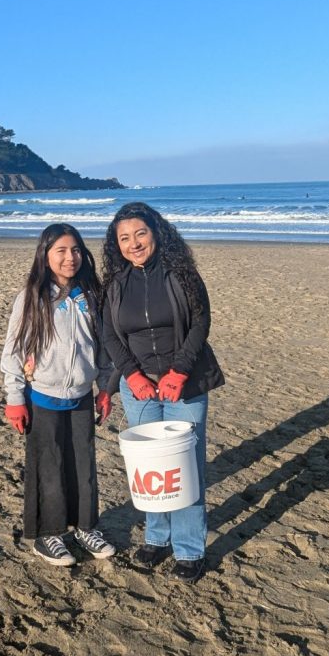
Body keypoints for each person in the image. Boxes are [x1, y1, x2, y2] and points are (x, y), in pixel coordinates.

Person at [101, 202, 224, 583]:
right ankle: (157, 537)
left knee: (185, 469)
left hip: (183, 384)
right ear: (116, 245)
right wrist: (132, 376)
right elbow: (108, 334)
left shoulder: (182, 274)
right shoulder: (115, 284)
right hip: (137, 388)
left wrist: (178, 372)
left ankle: (189, 548)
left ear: (156, 232)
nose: (133, 243)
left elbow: (200, 323)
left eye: (140, 233)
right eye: (124, 238)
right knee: (150, 469)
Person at [1, 223, 116, 568]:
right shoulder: (32, 296)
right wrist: (15, 399)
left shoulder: (91, 295)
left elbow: (104, 350)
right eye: (61, 251)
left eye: (76, 250)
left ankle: (85, 528)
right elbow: (15, 351)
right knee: (49, 467)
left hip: (81, 396)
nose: (70, 258)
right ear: (45, 255)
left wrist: (105, 388)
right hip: (43, 398)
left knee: (84, 467)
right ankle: (47, 536)